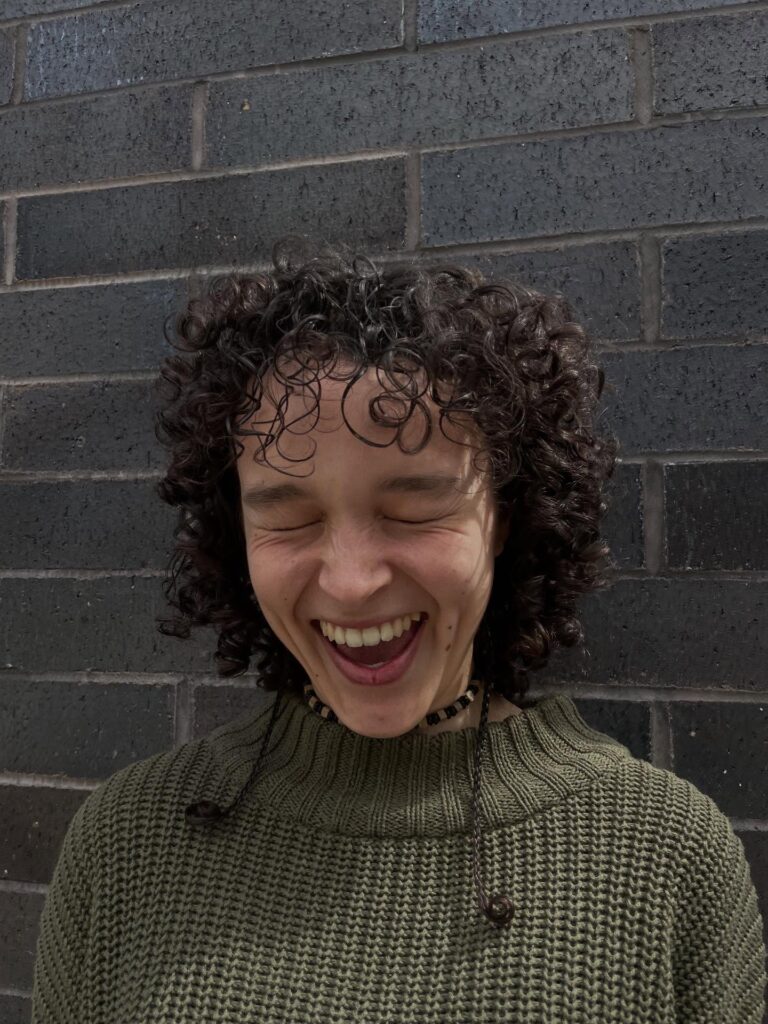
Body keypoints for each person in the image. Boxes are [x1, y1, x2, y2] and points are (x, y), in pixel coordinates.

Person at [31, 241, 766, 1023]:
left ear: (505, 517)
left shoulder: (665, 856)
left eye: (414, 509)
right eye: (287, 517)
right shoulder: (124, 844)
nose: (352, 582)